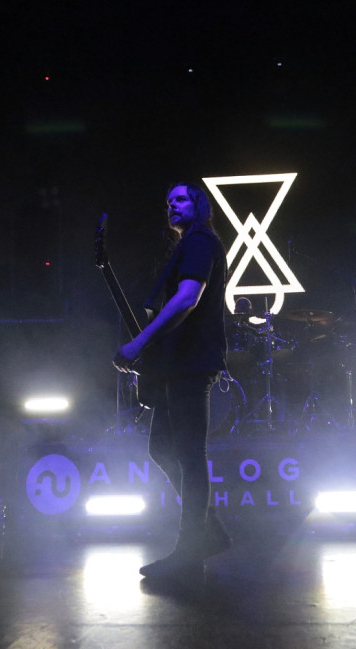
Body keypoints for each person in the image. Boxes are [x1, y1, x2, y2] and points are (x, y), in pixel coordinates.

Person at [113, 183, 231, 578]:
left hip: (191, 364)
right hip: (177, 364)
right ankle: (207, 531)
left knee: (189, 455)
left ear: (199, 205)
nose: (171, 206)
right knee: (163, 448)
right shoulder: (188, 246)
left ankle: (190, 551)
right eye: (167, 202)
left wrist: (139, 342)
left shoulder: (199, 241)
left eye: (180, 199)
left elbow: (187, 298)